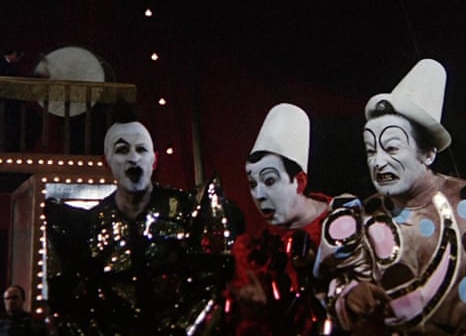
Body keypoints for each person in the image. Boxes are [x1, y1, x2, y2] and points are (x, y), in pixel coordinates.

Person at [315, 59, 466, 335]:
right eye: (371, 151)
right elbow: (329, 289)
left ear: (428, 153)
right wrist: (351, 296)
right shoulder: (364, 218)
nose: (378, 162)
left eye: (392, 148)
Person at [46, 119, 240, 335]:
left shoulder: (188, 210)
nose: (133, 157)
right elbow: (70, 306)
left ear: (154, 160)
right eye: (122, 150)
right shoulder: (88, 226)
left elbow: (214, 286)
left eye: (141, 149)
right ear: (107, 162)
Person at [226, 103, 333, 335]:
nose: (259, 194)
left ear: (300, 182)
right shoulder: (255, 251)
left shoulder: (343, 226)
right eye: (252, 183)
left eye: (270, 181)